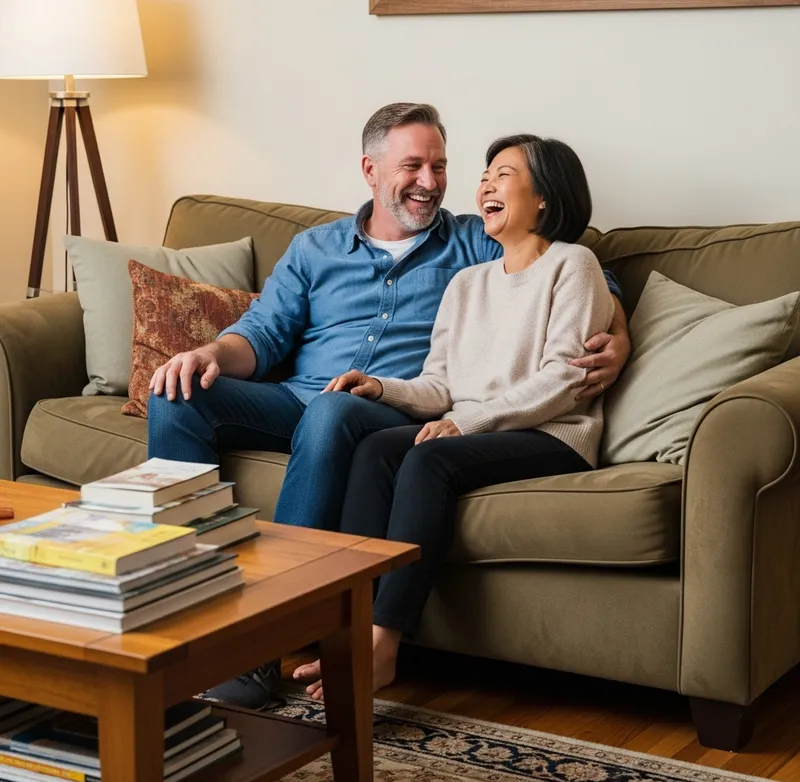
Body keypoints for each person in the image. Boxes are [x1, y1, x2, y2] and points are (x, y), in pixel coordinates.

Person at [147, 103, 631, 710]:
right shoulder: (315, 247)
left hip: (381, 413)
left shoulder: (471, 241)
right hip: (304, 398)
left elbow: (572, 267)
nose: (430, 181)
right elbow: (263, 334)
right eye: (412, 166)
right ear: (370, 170)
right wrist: (209, 352)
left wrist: (620, 334)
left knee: (334, 414)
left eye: (440, 166)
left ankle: (260, 644)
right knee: (178, 393)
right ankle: (183, 605)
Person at [293, 133, 615, 700]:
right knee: (376, 449)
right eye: (485, 175)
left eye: (504, 175)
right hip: (473, 430)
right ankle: (348, 631)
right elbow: (440, 385)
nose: (485, 184)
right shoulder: (467, 283)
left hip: (552, 433)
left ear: (543, 196)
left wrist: (467, 424)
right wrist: (381, 387)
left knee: (428, 460)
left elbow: (565, 378)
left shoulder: (574, 264)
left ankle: (383, 646)